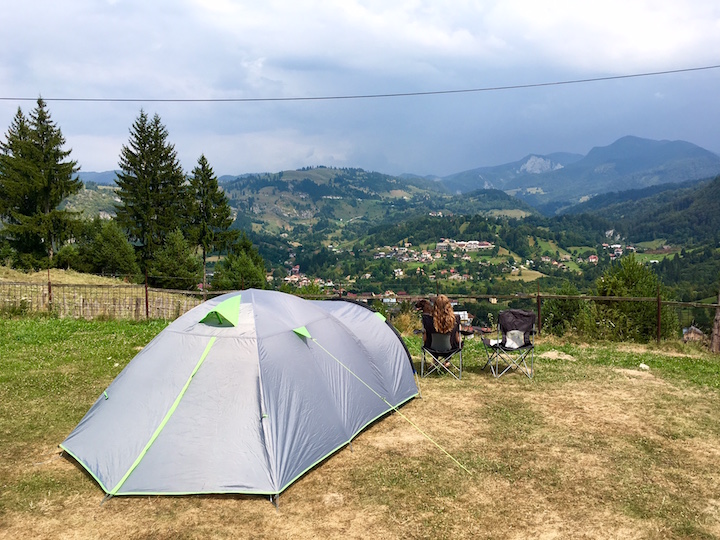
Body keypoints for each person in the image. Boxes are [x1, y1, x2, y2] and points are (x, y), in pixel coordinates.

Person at [421, 294, 461, 366]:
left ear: (435, 306)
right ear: (448, 305)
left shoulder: (428, 320)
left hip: (432, 348)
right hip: (450, 349)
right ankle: (447, 360)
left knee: (433, 341)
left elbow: (424, 338)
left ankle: (435, 360)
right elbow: (457, 339)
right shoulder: (455, 319)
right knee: (452, 342)